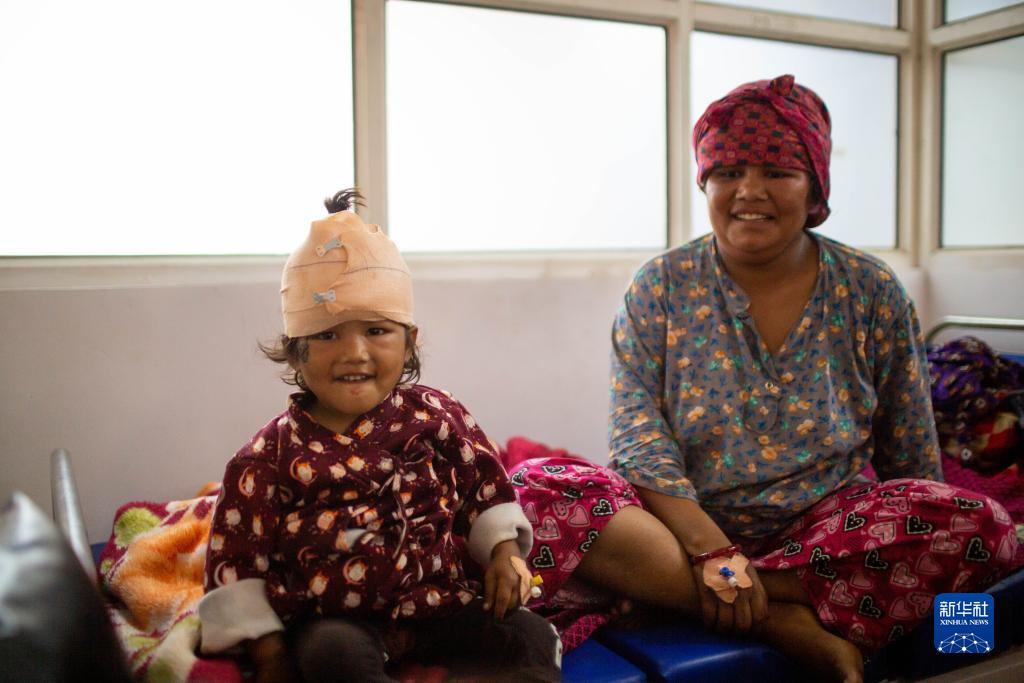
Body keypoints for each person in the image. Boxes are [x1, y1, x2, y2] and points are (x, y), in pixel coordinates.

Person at [511, 75, 1020, 682]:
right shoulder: (661, 287)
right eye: (728, 172)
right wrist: (712, 550)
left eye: (777, 171)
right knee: (530, 488)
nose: (749, 191)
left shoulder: (870, 291)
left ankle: (676, 593)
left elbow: (910, 450)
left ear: (814, 187)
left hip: (821, 530)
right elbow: (637, 440)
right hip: (676, 527)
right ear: (706, 183)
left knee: (984, 527)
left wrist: (921, 525)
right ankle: (777, 620)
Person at [197, 191, 561, 683]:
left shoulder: (437, 416)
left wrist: (505, 555)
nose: (354, 352)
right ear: (295, 351)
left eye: (376, 331)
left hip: (440, 602)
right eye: (327, 334)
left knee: (531, 638)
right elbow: (237, 561)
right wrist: (269, 653)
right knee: (331, 658)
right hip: (336, 620)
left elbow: (485, 491)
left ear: (410, 342)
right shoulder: (266, 458)